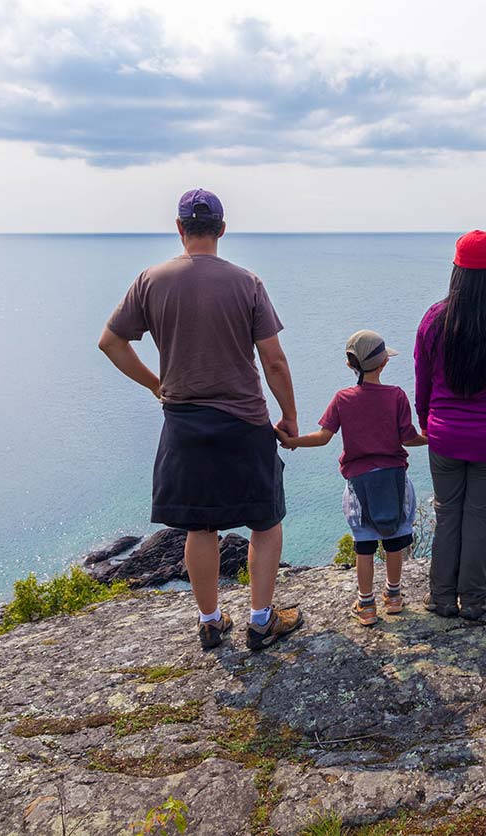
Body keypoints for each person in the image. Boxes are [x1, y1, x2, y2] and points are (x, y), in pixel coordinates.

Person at [98, 187, 304, 651]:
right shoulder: (247, 282)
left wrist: (156, 385)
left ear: (179, 228)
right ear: (222, 230)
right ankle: (260, 620)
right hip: (244, 421)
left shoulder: (151, 280)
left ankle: (210, 622)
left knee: (199, 527)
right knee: (265, 522)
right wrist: (290, 416)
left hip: (184, 423)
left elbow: (110, 342)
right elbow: (273, 360)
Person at [414, 230, 486, 620]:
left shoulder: (434, 319)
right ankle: (475, 600)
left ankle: (442, 598)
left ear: (456, 272)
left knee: (448, 513)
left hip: (444, 436)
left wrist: (425, 421)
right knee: (481, 517)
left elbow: (423, 382)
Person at [279, 330, 428, 625]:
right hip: (395, 478)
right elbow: (409, 438)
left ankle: (367, 605)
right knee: (396, 537)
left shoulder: (343, 398)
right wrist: (433, 437)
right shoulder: (396, 395)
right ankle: (394, 597)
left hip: (359, 483)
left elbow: (323, 437)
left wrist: (292, 441)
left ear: (351, 365)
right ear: (384, 362)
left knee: (364, 544)